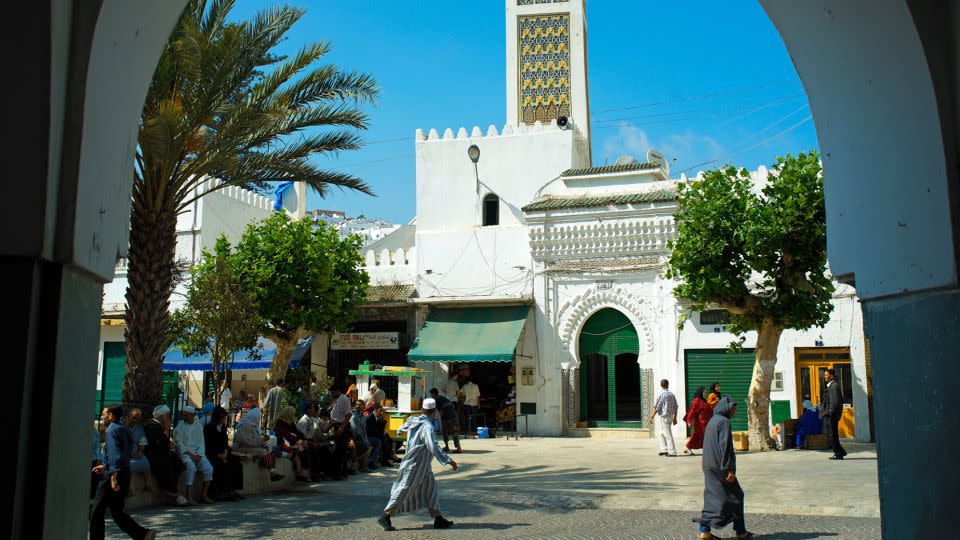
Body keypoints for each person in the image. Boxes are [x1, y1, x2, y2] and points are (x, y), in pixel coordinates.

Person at [376, 398, 457, 531]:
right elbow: (433, 446)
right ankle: (385, 516)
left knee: (432, 490)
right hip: (415, 464)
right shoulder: (427, 427)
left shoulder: (414, 420)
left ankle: (438, 518)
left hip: (423, 465)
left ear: (421, 410)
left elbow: (401, 428)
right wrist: (449, 460)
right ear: (434, 412)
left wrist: (400, 432)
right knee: (404, 488)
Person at [89, 405, 156, 540]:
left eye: (103, 415)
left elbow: (116, 455)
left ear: (110, 415)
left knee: (96, 512)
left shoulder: (111, 431)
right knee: (117, 512)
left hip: (114, 475)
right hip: (124, 472)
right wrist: (106, 465)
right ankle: (142, 534)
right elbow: (123, 453)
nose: (101, 417)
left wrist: (113, 475)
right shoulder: (124, 429)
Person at [695, 396, 753, 539]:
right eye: (733, 408)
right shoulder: (724, 422)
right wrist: (729, 469)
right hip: (720, 466)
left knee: (711, 496)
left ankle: (705, 531)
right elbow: (725, 446)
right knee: (737, 496)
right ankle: (741, 532)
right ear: (727, 408)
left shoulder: (712, 421)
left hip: (708, 464)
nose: (734, 411)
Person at [142, 405, 185, 504]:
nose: (169, 418)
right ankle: (171, 490)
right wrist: (167, 429)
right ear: (161, 417)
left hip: (160, 452)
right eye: (167, 416)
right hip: (153, 455)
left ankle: (173, 488)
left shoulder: (158, 426)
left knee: (177, 462)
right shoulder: (152, 426)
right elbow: (159, 442)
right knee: (165, 464)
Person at [173, 405, 215, 504]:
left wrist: (199, 455)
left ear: (192, 415)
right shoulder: (179, 428)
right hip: (186, 454)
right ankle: (189, 496)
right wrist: (192, 456)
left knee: (209, 469)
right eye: (183, 415)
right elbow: (179, 445)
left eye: (186, 415)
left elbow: (201, 443)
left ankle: (204, 494)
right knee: (191, 467)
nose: (184, 417)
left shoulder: (199, 426)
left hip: (198, 454)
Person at [204, 405, 244, 500]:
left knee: (236, 463)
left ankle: (235, 490)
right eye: (223, 417)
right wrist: (219, 455)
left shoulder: (222, 428)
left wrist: (225, 453)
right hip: (213, 454)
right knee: (222, 465)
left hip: (223, 453)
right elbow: (208, 445)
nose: (224, 419)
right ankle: (222, 492)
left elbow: (225, 443)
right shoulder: (208, 428)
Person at [233, 407, 284, 481]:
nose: (259, 419)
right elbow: (248, 442)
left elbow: (256, 439)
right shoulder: (246, 425)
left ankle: (273, 472)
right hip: (240, 447)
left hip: (247, 446)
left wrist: (263, 442)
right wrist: (262, 440)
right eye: (259, 417)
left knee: (269, 448)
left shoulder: (253, 425)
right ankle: (272, 474)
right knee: (262, 451)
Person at [272, 405, 310, 481]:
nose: (292, 416)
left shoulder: (289, 421)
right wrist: (298, 441)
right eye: (291, 414)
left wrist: (303, 438)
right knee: (298, 453)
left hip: (292, 442)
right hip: (283, 443)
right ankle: (299, 472)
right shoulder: (280, 422)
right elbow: (286, 435)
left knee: (307, 449)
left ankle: (304, 472)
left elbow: (296, 431)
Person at [819, 368, 847, 460]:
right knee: (832, 434)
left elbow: (834, 401)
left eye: (826, 375)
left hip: (831, 415)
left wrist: (830, 412)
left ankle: (838, 453)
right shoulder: (831, 385)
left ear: (831, 376)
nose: (824, 376)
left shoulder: (834, 386)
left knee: (832, 434)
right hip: (830, 414)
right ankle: (840, 451)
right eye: (824, 375)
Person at [329, 385, 354, 478]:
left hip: (342, 426)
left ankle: (341, 472)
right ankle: (338, 471)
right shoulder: (336, 400)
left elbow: (348, 415)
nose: (332, 394)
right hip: (336, 426)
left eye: (332, 392)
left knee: (341, 450)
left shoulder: (343, 399)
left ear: (337, 391)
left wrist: (342, 427)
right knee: (338, 450)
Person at [649, 379, 678, 457]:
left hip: (664, 417)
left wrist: (652, 416)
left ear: (661, 385)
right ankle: (664, 449)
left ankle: (672, 452)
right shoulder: (672, 394)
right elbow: (676, 407)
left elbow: (657, 407)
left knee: (668, 434)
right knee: (661, 433)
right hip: (669, 416)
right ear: (668, 385)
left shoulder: (662, 395)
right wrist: (675, 418)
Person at [125, 408, 152, 489]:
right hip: (125, 453)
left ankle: (147, 484)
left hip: (136, 452)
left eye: (137, 419)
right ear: (129, 417)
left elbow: (142, 442)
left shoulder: (139, 428)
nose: (135, 420)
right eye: (133, 418)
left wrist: (139, 453)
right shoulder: (122, 426)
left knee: (146, 463)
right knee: (127, 466)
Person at [430, 388, 461, 453]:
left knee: (445, 432)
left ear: (433, 394)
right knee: (454, 432)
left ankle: (447, 447)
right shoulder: (443, 397)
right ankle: (458, 448)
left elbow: (441, 412)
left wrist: (441, 419)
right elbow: (451, 406)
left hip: (447, 417)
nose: (431, 396)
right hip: (453, 415)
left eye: (431, 395)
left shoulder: (436, 400)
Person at [683, 387, 711, 455]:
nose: (705, 393)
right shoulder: (696, 400)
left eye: (705, 392)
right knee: (696, 435)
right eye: (704, 392)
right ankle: (687, 447)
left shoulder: (703, 400)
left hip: (705, 422)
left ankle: (706, 448)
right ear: (700, 392)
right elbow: (692, 411)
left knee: (703, 436)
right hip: (699, 423)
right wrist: (689, 420)